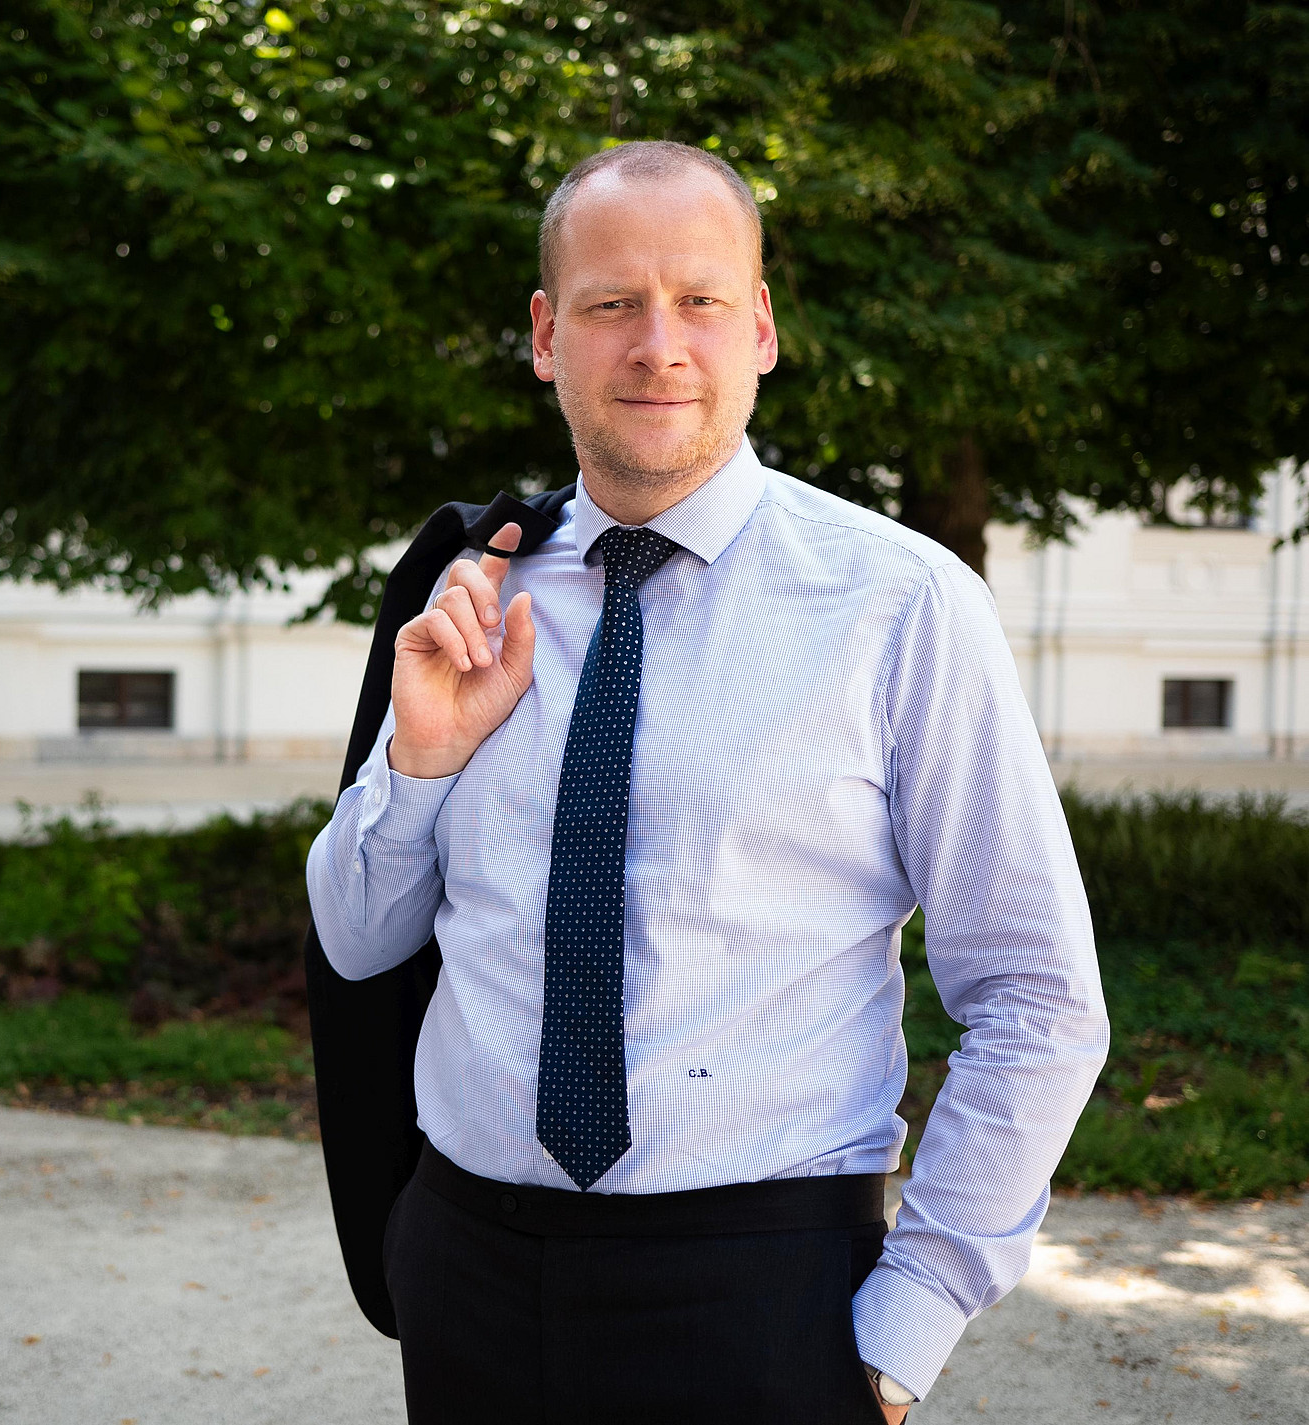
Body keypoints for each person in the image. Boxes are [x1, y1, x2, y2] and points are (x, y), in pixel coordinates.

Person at [304, 140, 1109, 1423]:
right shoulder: (472, 592)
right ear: (545, 335)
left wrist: (902, 1332)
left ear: (763, 329)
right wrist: (421, 761)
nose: (657, 345)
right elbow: (356, 946)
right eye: (611, 302)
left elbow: (1037, 996)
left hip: (763, 1292)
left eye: (700, 300)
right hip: (466, 1273)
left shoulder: (900, 606)